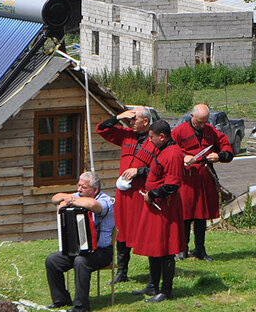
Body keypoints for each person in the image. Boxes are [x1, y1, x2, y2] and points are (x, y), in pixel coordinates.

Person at [96, 106, 159, 284]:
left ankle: (153, 276)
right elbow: (101, 128)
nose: (130, 122)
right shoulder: (126, 136)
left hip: (142, 194)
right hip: (124, 196)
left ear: (145, 122)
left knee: (147, 232)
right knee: (122, 231)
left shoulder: (155, 140)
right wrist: (118, 117)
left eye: (134, 119)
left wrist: (139, 171)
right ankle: (122, 272)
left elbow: (159, 169)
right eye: (129, 120)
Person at [171, 104, 234, 261]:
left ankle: (200, 249)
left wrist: (219, 156)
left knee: (201, 215)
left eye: (204, 122)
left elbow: (226, 146)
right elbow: (168, 149)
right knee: (184, 215)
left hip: (204, 179)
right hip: (186, 179)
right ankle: (182, 248)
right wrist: (182, 157)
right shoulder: (179, 131)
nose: (201, 125)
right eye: (199, 122)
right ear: (192, 116)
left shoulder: (211, 132)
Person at [44, 171, 115, 312]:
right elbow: (54, 198)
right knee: (52, 260)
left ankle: (81, 306)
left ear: (95, 190)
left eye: (84, 187)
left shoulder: (106, 201)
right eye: (78, 186)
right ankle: (61, 299)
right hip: (79, 249)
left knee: (80, 262)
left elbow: (92, 204)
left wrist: (69, 201)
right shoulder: (78, 196)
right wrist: (65, 197)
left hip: (101, 253)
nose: (79, 190)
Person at [131, 119, 184, 302]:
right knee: (154, 247)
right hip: (155, 206)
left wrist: (152, 194)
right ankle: (153, 286)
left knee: (166, 250)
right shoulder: (162, 149)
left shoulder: (173, 153)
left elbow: (173, 184)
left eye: (152, 137)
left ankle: (166, 291)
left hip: (165, 207)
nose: (150, 140)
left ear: (162, 136)